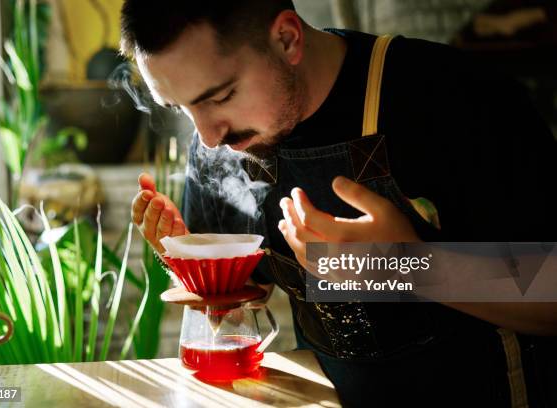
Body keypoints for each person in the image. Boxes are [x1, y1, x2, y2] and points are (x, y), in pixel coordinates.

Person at [123, 1, 557, 406]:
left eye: (219, 97)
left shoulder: (455, 97)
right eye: (181, 108)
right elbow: (238, 312)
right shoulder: (222, 142)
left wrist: (409, 267)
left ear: (287, 39)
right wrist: (198, 265)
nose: (208, 137)